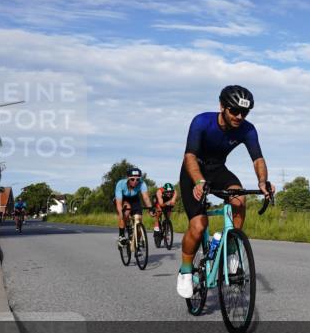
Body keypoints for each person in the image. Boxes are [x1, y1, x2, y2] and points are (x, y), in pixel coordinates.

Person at [177, 85, 273, 299]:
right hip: (193, 171)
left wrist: (263, 181)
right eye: (234, 111)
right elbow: (190, 156)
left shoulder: (247, 129)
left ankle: (231, 252)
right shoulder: (202, 121)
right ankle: (185, 271)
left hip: (218, 170)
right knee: (199, 225)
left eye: (244, 112)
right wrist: (199, 181)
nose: (240, 116)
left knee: (238, 197)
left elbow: (257, 158)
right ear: (222, 106)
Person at [113, 168, 154, 245]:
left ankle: (136, 243)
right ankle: (121, 235)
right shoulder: (121, 184)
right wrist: (121, 215)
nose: (135, 181)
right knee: (126, 210)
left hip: (134, 199)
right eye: (132, 179)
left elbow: (145, 197)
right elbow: (118, 203)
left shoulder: (142, 183)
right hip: (122, 198)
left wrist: (150, 209)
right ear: (128, 178)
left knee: (139, 218)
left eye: (137, 179)